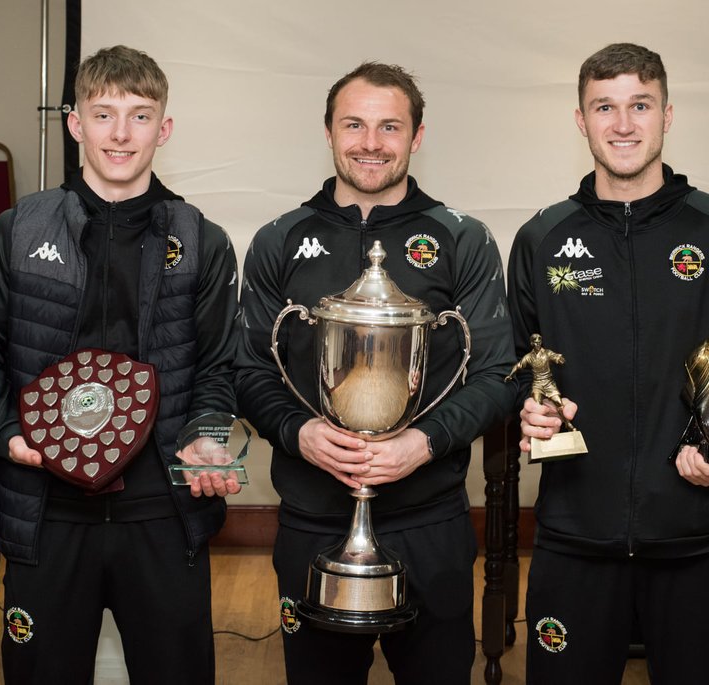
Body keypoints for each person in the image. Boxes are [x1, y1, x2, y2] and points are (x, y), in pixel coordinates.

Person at [506, 43, 709, 684]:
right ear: (580, 120)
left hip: (693, 536)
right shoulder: (542, 238)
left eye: (640, 104)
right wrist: (529, 405)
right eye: (604, 107)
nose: (624, 124)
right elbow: (514, 367)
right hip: (573, 535)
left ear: (668, 115)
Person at [0, 45, 240, 684]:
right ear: (74, 122)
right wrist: (6, 436)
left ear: (163, 129)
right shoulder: (16, 229)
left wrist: (207, 437)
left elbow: (220, 368)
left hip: (162, 514)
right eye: (103, 113)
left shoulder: (202, 241)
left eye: (140, 116)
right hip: (45, 510)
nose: (120, 133)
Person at [235, 62, 514, 684]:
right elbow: (249, 367)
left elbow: (497, 374)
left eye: (390, 126)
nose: (370, 141)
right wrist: (298, 434)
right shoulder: (278, 240)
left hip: (430, 520)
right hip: (312, 519)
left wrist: (423, 443)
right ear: (329, 131)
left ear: (416, 137)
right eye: (353, 124)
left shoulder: (463, 239)